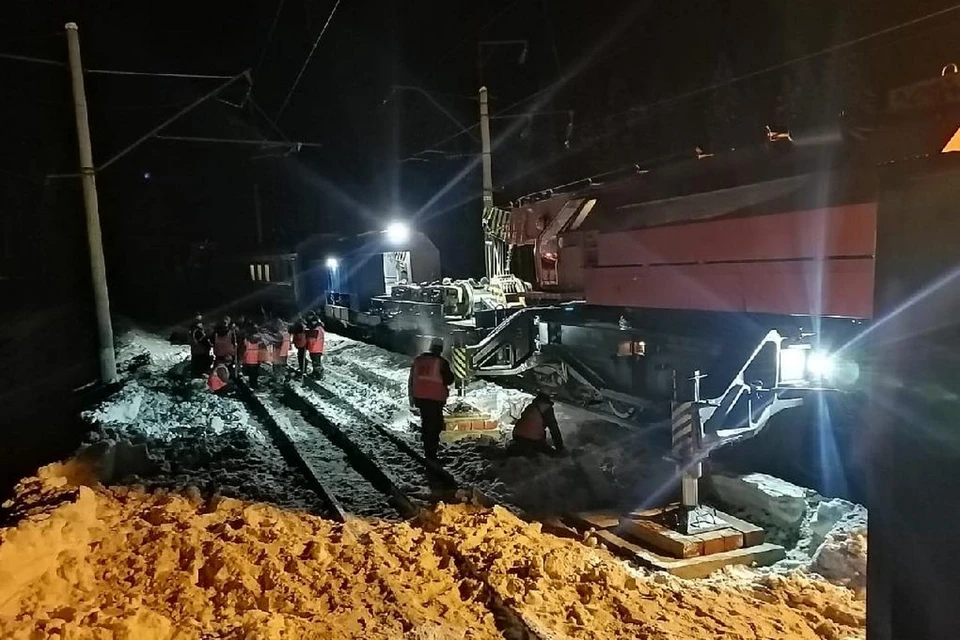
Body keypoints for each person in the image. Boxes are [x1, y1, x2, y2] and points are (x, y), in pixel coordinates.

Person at [408, 339, 454, 461]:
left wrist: (411, 398)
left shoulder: (418, 360)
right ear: (440, 349)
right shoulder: (441, 362)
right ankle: (431, 453)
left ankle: (428, 449)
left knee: (427, 423)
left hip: (420, 398)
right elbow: (449, 379)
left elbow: (411, 380)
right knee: (435, 425)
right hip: (435, 399)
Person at [510, 393, 565, 457]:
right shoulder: (547, 408)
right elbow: (554, 429)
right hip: (532, 440)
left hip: (517, 436)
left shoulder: (531, 406)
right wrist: (560, 448)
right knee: (553, 456)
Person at [239, 320, 262, 389]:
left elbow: (244, 350)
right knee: (255, 374)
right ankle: (255, 385)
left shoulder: (246, 340)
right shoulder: (260, 339)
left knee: (250, 374)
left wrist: (242, 359)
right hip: (257, 360)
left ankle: (252, 385)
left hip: (248, 360)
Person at [187, 314, 211, 378]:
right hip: (201, 353)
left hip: (195, 353)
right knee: (201, 371)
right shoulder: (197, 331)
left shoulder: (192, 330)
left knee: (196, 370)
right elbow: (204, 342)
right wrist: (209, 345)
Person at [304, 311, 326, 380]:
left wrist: (306, 336)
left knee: (316, 362)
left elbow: (311, 338)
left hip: (315, 348)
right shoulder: (319, 328)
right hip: (317, 348)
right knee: (315, 362)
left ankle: (318, 375)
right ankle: (315, 373)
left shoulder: (316, 330)